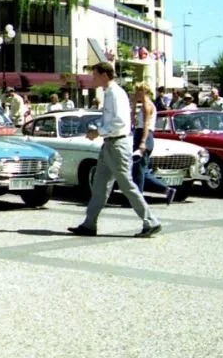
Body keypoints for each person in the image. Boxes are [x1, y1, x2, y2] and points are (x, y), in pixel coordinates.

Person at [68, 62, 161, 238]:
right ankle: (89, 224)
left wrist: (98, 131)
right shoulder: (109, 93)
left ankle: (151, 221)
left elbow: (119, 122)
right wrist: (99, 129)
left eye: (95, 75)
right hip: (110, 143)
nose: (93, 78)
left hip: (117, 144)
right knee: (100, 184)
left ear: (104, 75)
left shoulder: (115, 93)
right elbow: (112, 120)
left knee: (126, 184)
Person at [131, 84, 176, 206]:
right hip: (140, 134)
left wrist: (142, 142)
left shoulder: (148, 105)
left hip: (144, 136)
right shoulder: (142, 105)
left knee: (138, 170)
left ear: (144, 92)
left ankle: (138, 199)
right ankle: (166, 190)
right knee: (143, 171)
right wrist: (134, 105)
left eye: (138, 91)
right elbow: (133, 121)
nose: (136, 93)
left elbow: (146, 124)